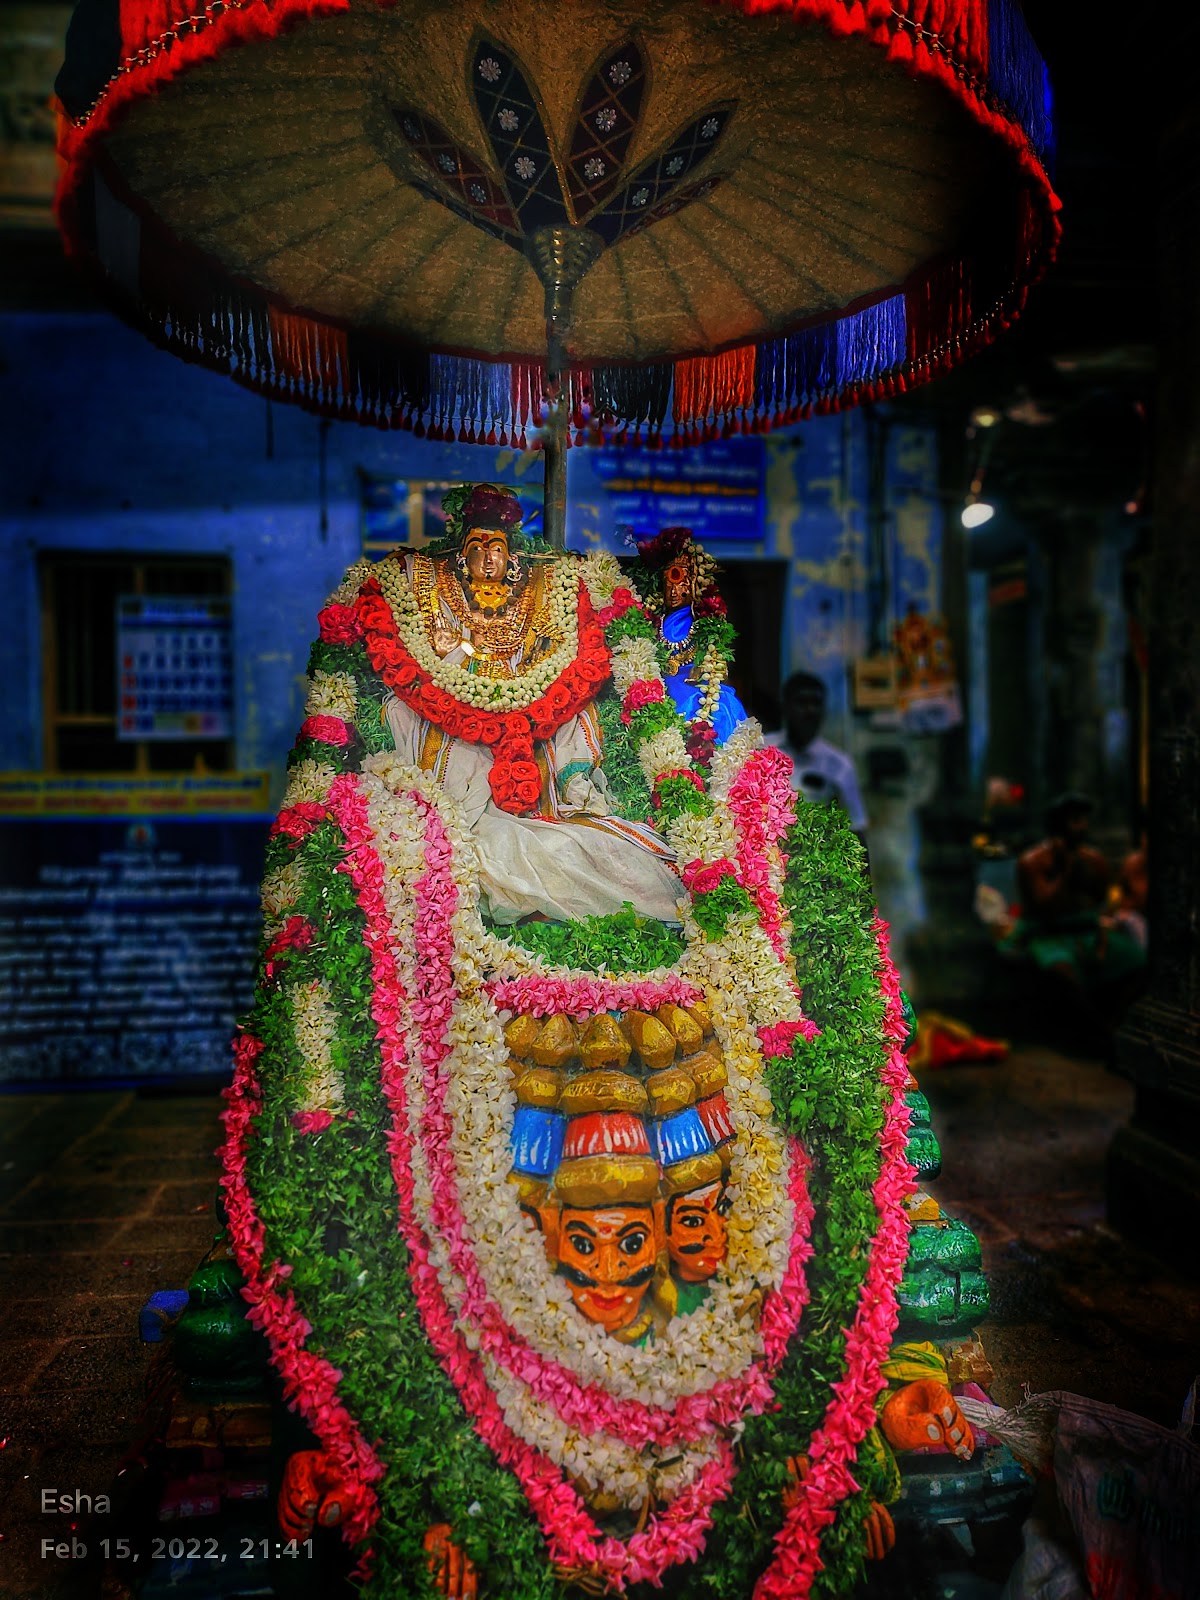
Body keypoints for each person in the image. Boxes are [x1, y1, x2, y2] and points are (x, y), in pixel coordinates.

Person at [381, 484, 681, 924]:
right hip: (462, 727)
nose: (488, 558)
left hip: (533, 730)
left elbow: (557, 661)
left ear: (512, 559)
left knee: (574, 758)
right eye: (478, 547)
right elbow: (440, 667)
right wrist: (464, 650)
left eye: (497, 547)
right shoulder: (443, 609)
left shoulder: (537, 603)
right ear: (461, 560)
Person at [768, 671, 868, 844]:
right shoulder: (763, 749)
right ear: (785, 706)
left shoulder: (839, 765)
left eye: (816, 703)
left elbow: (856, 829)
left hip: (816, 861)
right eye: (802, 702)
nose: (810, 710)